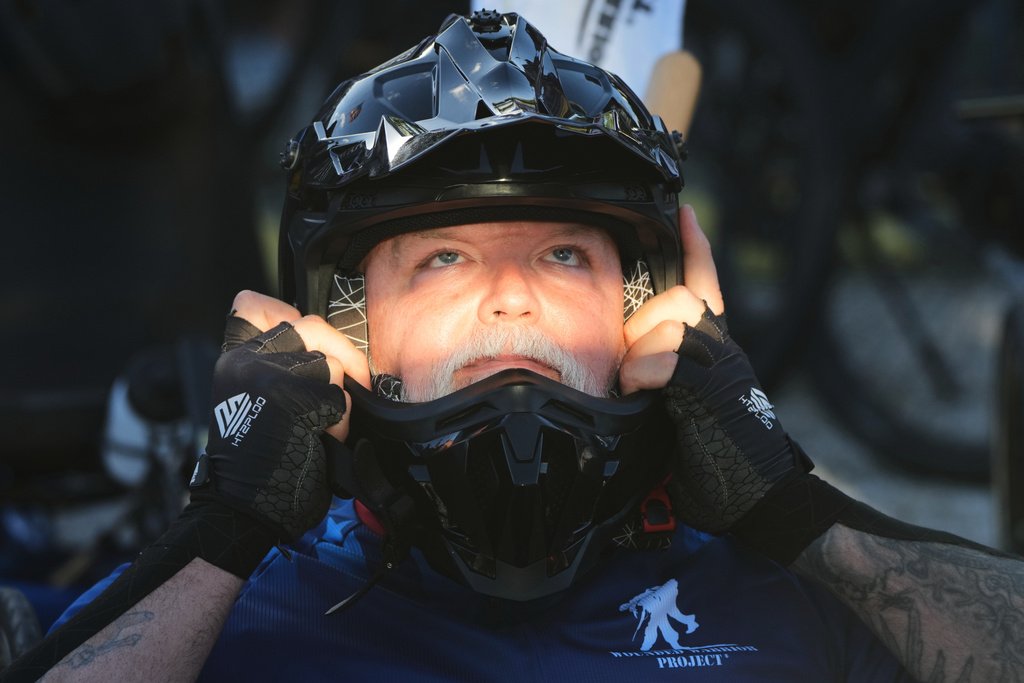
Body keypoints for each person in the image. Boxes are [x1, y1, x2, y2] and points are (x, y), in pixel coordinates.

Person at [4, 10, 1024, 682]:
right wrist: (223, 530)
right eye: (443, 257)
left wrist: (795, 505)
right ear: (347, 330)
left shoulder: (793, 600)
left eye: (562, 255)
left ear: (651, 314)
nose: (507, 298)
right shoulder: (223, 617)